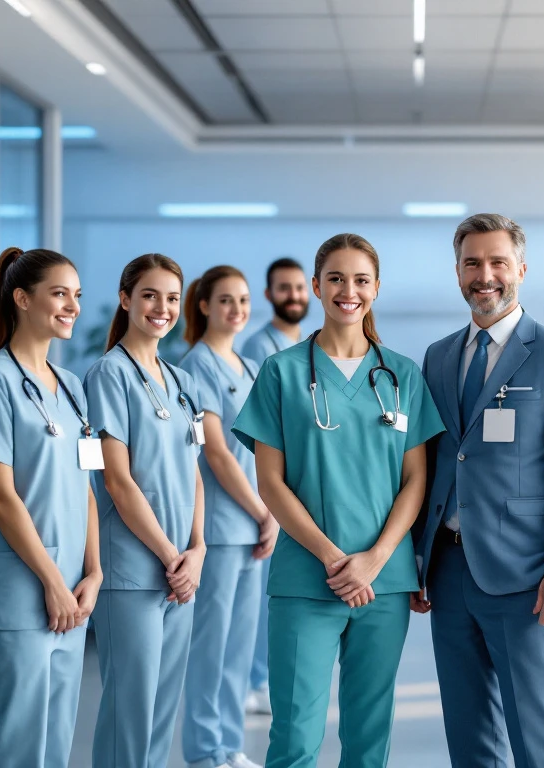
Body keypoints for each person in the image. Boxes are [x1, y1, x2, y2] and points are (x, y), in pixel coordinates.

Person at [232, 233, 444, 768]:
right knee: (295, 735)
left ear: (376, 289)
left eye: (361, 280)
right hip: (307, 577)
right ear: (316, 287)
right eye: (336, 279)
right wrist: (333, 558)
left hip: (384, 580)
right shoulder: (281, 372)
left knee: (370, 733)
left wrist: (373, 560)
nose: (349, 290)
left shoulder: (402, 375)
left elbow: (416, 480)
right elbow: (271, 483)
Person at [416, 214, 544, 768]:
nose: (485, 275)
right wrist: (418, 559)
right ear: (457, 273)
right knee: (467, 731)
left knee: (534, 733)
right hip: (449, 573)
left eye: (498, 262)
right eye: (472, 263)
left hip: (528, 576)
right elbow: (433, 462)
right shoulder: (440, 356)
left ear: (521, 269)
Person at [0, 247, 102, 768]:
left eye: (77, 296)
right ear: (22, 299)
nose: (72, 307)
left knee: (55, 742)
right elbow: (1, 497)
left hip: (72, 591)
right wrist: (52, 582)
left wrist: (94, 570)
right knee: (17, 745)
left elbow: (87, 485)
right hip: (20, 591)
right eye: (59, 294)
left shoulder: (70, 386)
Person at [86, 254, 206, 768]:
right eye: (151, 295)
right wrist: (168, 554)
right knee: (129, 712)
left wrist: (197, 550)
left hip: (182, 570)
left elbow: (194, 471)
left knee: (161, 709)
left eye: (172, 298)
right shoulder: (108, 374)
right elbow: (117, 479)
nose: (162, 308)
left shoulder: (179, 381)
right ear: (126, 299)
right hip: (134, 570)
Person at [179, 266, 277, 768]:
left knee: (239, 649)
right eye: (225, 301)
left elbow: (267, 449)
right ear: (203, 306)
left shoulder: (248, 366)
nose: (237, 310)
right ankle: (203, 750)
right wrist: (265, 512)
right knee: (210, 647)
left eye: (242, 300)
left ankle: (230, 746)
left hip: (255, 528)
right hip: (220, 528)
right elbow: (216, 454)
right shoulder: (196, 368)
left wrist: (272, 515)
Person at [239, 256, 309, 715]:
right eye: (284, 288)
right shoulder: (258, 349)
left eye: (300, 288)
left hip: (296, 492)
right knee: (263, 600)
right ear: (269, 295)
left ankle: (265, 678)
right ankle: (255, 680)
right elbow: (256, 433)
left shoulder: (307, 348)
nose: (295, 296)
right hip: (267, 492)